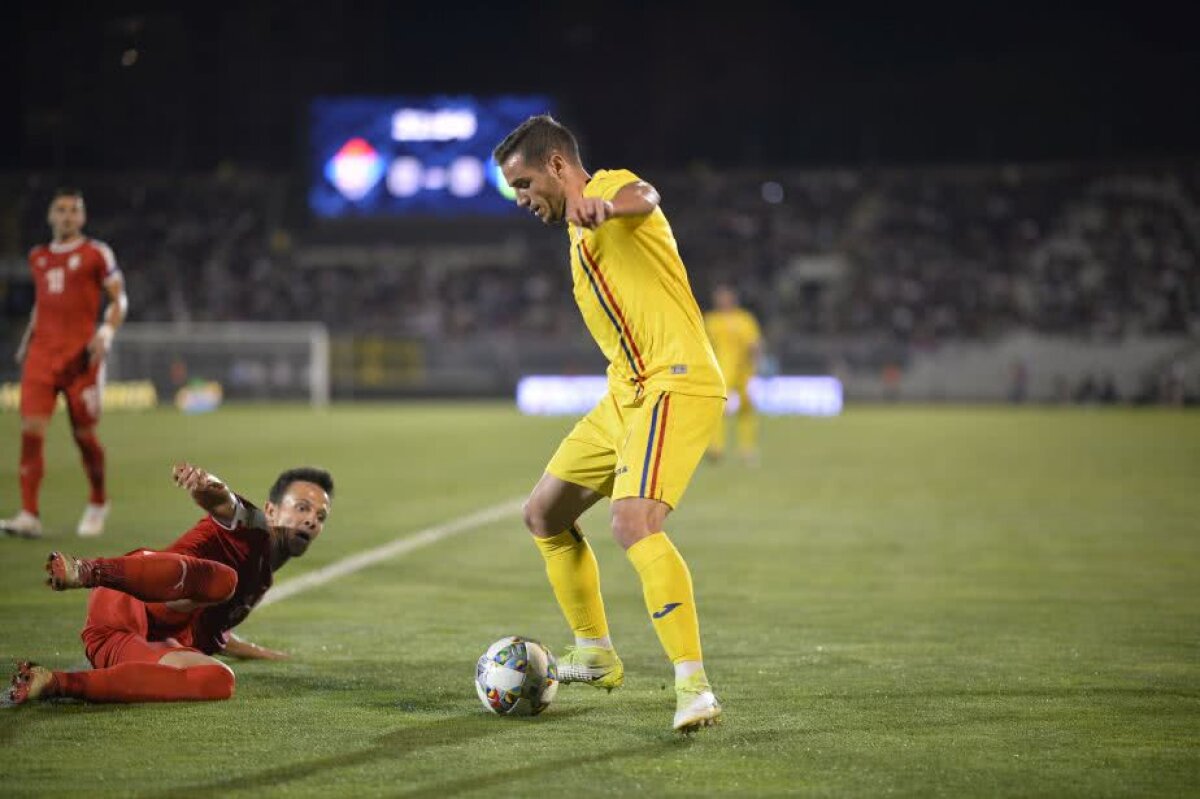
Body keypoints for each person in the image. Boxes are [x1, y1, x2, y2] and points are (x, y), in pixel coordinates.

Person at [495, 115, 725, 731]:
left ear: (557, 166)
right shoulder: (575, 234)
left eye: (523, 184)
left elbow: (644, 196)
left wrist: (606, 207)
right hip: (625, 393)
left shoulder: (610, 191)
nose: (521, 199)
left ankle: (694, 686)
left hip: (674, 380)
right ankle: (595, 653)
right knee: (543, 515)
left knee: (632, 521)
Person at [7, 461, 333, 705]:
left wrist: (265, 654)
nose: (311, 520)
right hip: (126, 597)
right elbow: (222, 501)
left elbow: (217, 636)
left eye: (320, 517)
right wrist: (203, 483)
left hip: (118, 643)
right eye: (302, 508)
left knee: (219, 679)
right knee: (223, 581)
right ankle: (86, 570)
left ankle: (54, 683)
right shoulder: (253, 527)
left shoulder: (259, 582)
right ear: (271, 509)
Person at [1, 188, 129, 539]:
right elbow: (42, 303)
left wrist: (105, 333)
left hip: (81, 359)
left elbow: (119, 299)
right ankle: (29, 514)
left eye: (74, 210)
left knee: (84, 436)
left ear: (83, 217)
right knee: (30, 432)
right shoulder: (38, 256)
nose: (67, 216)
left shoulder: (96, 253)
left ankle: (98, 500)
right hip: (42, 357)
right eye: (61, 210)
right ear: (50, 216)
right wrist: (28, 340)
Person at [704, 283, 763, 463]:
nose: (723, 301)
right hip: (721, 369)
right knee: (717, 408)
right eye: (720, 298)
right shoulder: (711, 321)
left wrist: (757, 363)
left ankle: (747, 448)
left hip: (745, 370)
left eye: (726, 297)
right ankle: (716, 447)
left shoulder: (744, 319)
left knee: (747, 407)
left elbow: (755, 343)